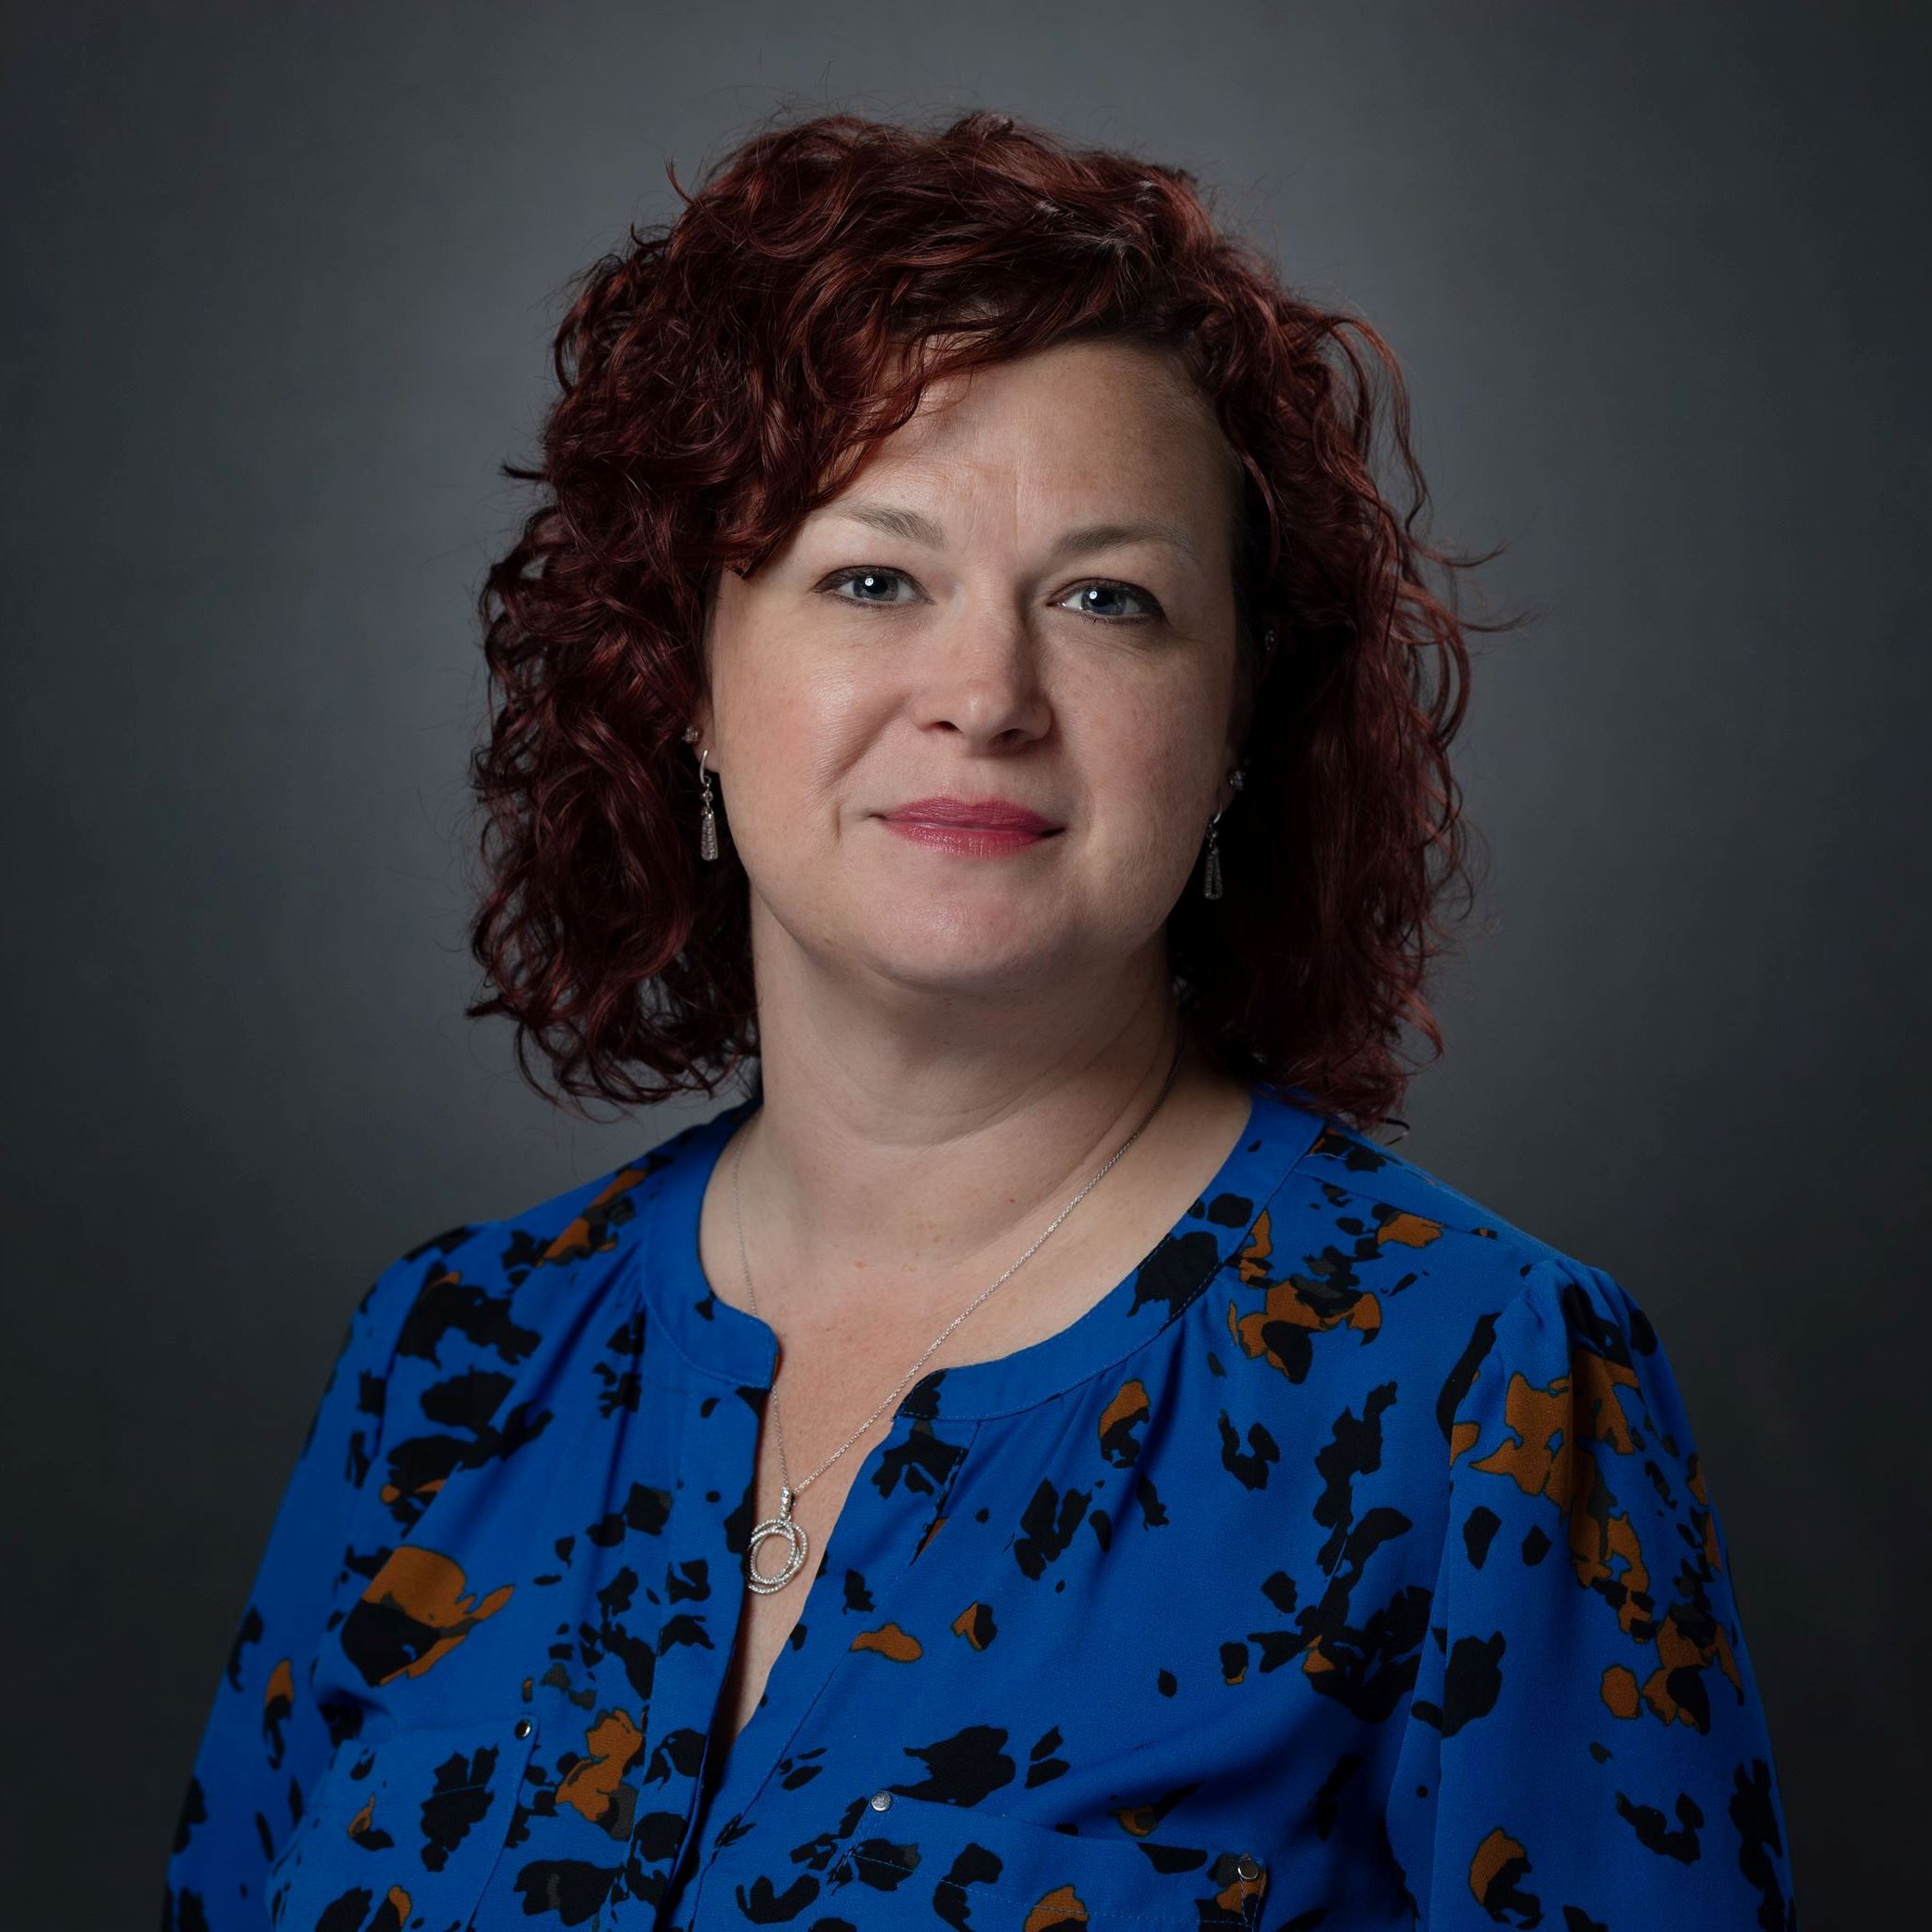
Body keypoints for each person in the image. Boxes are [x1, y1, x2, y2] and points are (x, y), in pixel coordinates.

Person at [162, 108, 1798, 1932]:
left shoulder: (1478, 1386)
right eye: (872, 576)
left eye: (1107, 599)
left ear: (1240, 723)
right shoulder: (442, 1360)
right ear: (685, 673)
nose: (985, 691)